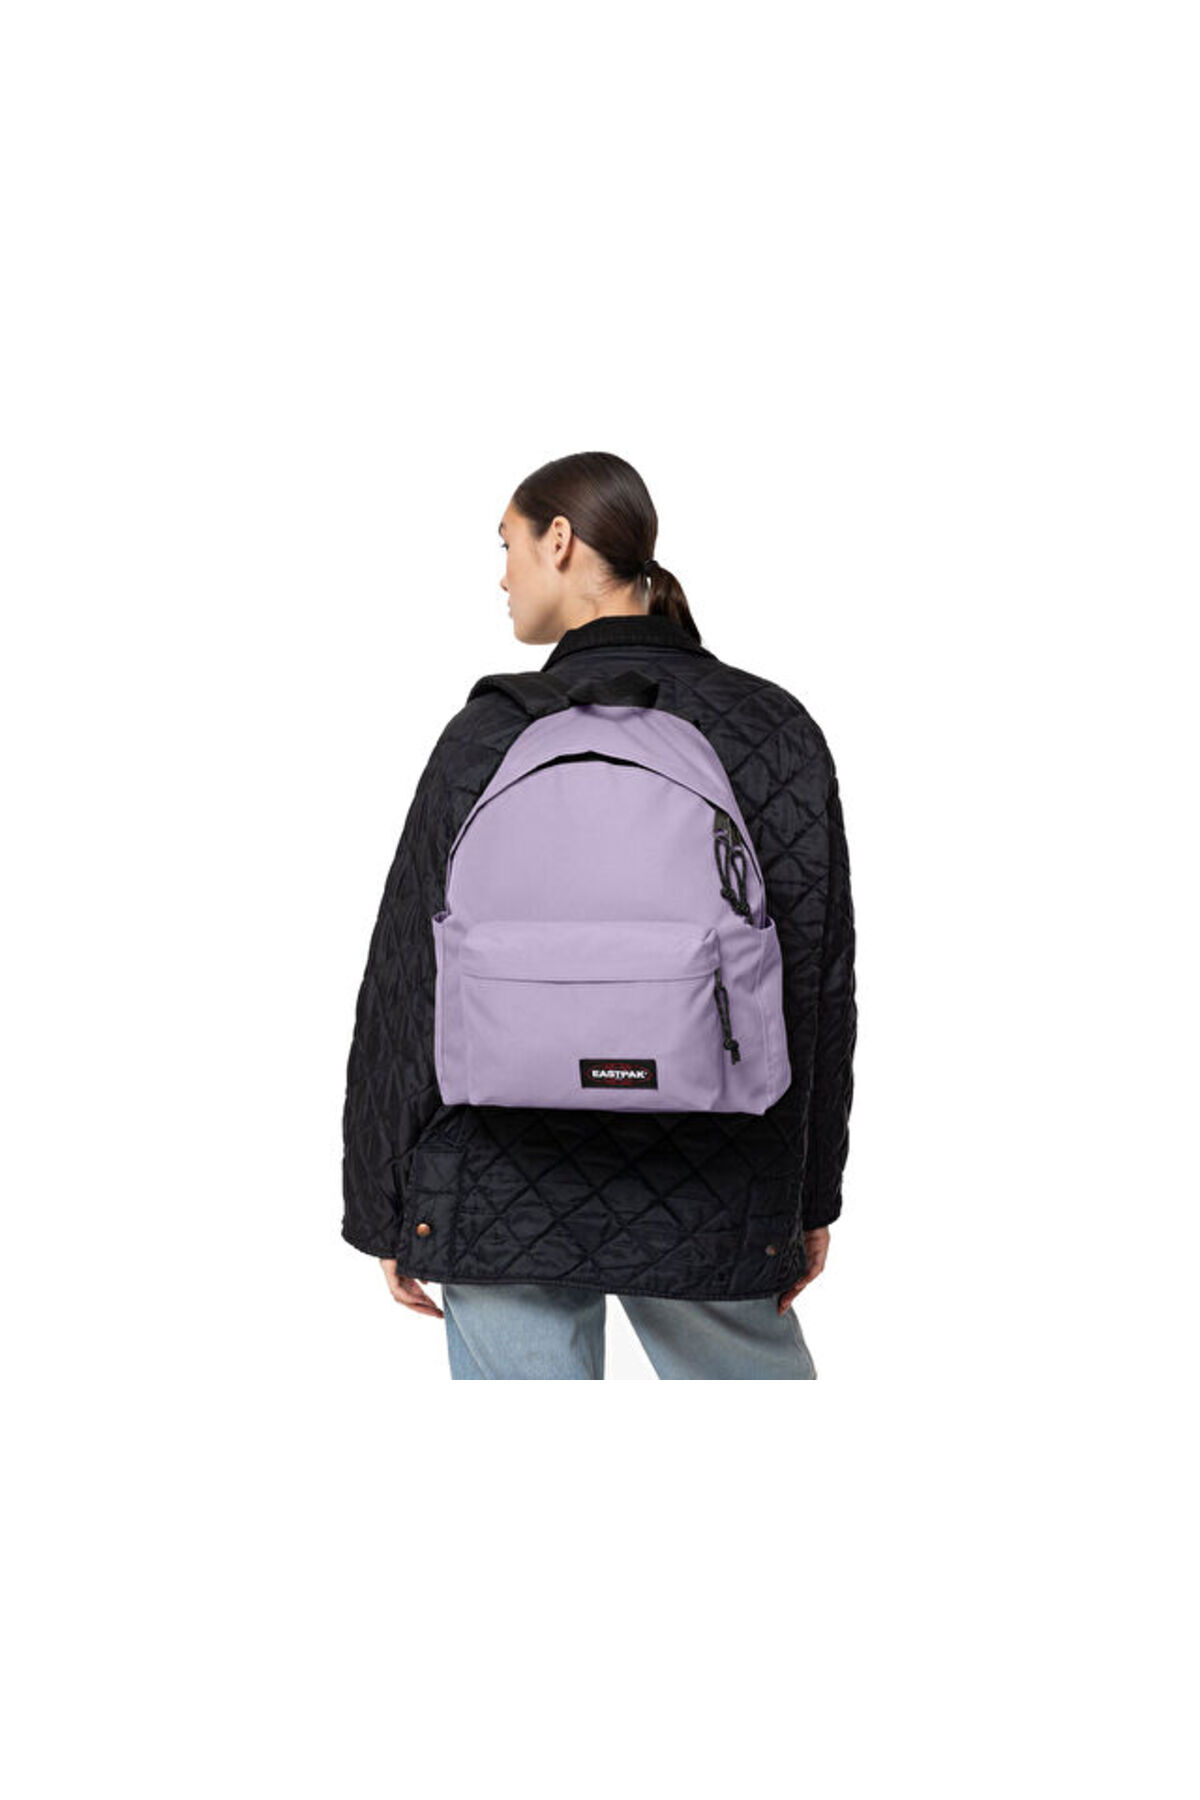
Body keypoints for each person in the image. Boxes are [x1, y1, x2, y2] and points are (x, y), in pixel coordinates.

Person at [341, 451, 857, 1379]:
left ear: (560, 540)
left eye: (507, 545)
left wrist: (381, 1201)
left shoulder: (489, 734)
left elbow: (408, 983)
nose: (503, 576)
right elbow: (815, 982)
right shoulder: (772, 728)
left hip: (499, 1183)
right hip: (718, 1183)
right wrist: (810, 1194)